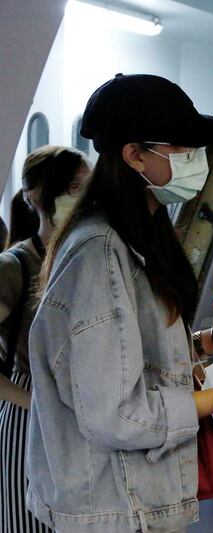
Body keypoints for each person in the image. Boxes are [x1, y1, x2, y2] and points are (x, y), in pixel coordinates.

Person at [26, 74, 213, 533]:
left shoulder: (139, 237)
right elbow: (115, 414)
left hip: (133, 500)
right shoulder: (98, 252)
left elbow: (126, 357)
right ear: (135, 155)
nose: (200, 162)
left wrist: (204, 343)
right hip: (110, 508)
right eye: (184, 150)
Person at [0, 146, 91, 533]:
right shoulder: (15, 266)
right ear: (38, 197)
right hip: (29, 414)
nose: (84, 198)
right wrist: (38, 404)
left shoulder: (91, 257)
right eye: (74, 187)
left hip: (85, 412)